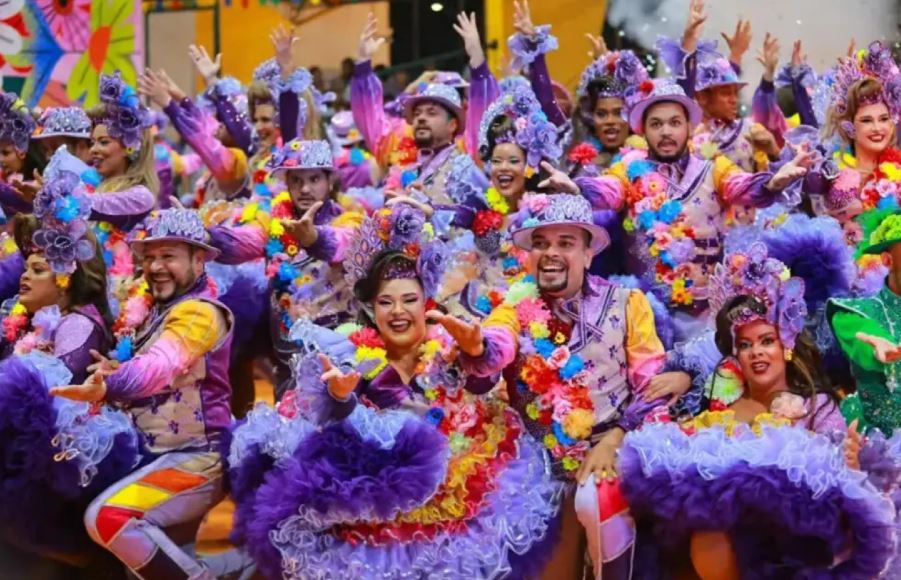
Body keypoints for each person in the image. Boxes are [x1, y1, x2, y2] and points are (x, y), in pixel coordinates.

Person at [226, 205, 561, 579]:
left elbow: (481, 379)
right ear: (370, 309)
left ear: (426, 302)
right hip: (376, 505)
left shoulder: (448, 343)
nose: (398, 312)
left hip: (454, 489)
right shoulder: (349, 352)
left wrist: (476, 351)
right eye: (386, 302)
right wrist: (341, 398)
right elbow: (334, 430)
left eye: (409, 300)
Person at [619, 244, 890, 579]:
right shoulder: (719, 408)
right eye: (745, 345)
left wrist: (847, 462)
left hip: (793, 545)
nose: (756, 353)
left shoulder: (816, 405)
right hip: (723, 544)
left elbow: (837, 487)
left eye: (766, 341)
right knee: (707, 537)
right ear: (734, 356)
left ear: (785, 347)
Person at [453, 193, 670, 578]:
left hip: (616, 447)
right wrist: (477, 348)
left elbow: (652, 387)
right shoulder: (511, 308)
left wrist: (615, 438)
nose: (550, 253)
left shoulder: (627, 303)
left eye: (565, 243)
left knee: (594, 497)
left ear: (588, 255)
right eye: (540, 244)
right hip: (540, 463)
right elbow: (493, 353)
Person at [52, 208, 233, 580]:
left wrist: (111, 385)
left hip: (194, 462)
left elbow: (157, 367)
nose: (155, 267)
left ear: (199, 260)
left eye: (168, 256)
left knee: (108, 517)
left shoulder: (200, 314)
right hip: (152, 458)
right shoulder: (154, 311)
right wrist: (113, 371)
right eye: (149, 257)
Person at [587, 78, 812, 340]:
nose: (666, 132)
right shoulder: (627, 171)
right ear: (644, 132)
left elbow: (745, 188)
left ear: (689, 127)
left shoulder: (714, 169)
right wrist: (577, 190)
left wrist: (772, 183)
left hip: (705, 320)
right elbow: (606, 190)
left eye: (675, 122)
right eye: (656, 124)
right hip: (644, 318)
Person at [0, 171, 139, 572]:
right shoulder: (34, 318)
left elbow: (48, 391)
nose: (24, 275)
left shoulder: (78, 324)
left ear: (64, 282)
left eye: (38, 269)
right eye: (27, 266)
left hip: (67, 462)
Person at [208, 139, 364, 399]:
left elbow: (343, 243)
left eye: (314, 179)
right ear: (287, 185)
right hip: (286, 355)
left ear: (330, 182)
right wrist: (207, 238)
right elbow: (245, 241)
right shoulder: (275, 225)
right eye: (296, 181)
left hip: (337, 354)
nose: (305, 189)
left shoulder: (348, 220)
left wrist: (314, 238)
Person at [829, 209, 901, 434]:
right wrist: (878, 347)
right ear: (888, 260)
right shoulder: (855, 313)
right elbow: (862, 335)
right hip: (879, 449)